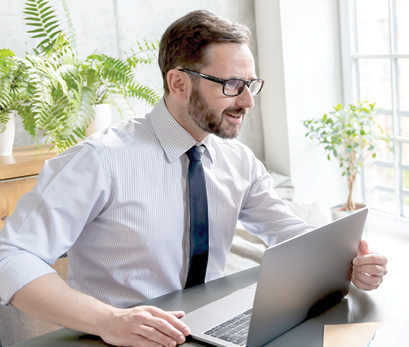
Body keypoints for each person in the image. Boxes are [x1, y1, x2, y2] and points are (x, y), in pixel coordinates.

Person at [0, 10, 388, 347]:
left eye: (251, 85)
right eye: (233, 85)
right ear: (179, 83)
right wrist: (110, 321)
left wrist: (348, 263)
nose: (248, 101)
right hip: (119, 338)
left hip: (208, 329)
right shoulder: (99, 161)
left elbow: (289, 234)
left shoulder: (238, 161)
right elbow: (10, 257)